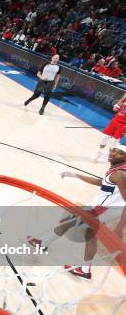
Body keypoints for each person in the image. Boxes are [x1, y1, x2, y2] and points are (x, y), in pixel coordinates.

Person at [27, 145, 126, 280]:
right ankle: (84, 270)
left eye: (119, 153)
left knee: (68, 222)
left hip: (103, 209)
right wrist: (77, 175)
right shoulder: (117, 170)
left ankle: (43, 244)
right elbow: (103, 182)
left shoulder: (119, 173)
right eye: (113, 150)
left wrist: (120, 226)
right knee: (90, 235)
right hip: (108, 209)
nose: (113, 153)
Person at [95, 97, 126, 162]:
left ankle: (110, 157)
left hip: (123, 125)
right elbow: (118, 107)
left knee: (114, 142)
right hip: (115, 120)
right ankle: (98, 153)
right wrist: (116, 106)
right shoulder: (124, 99)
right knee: (105, 138)